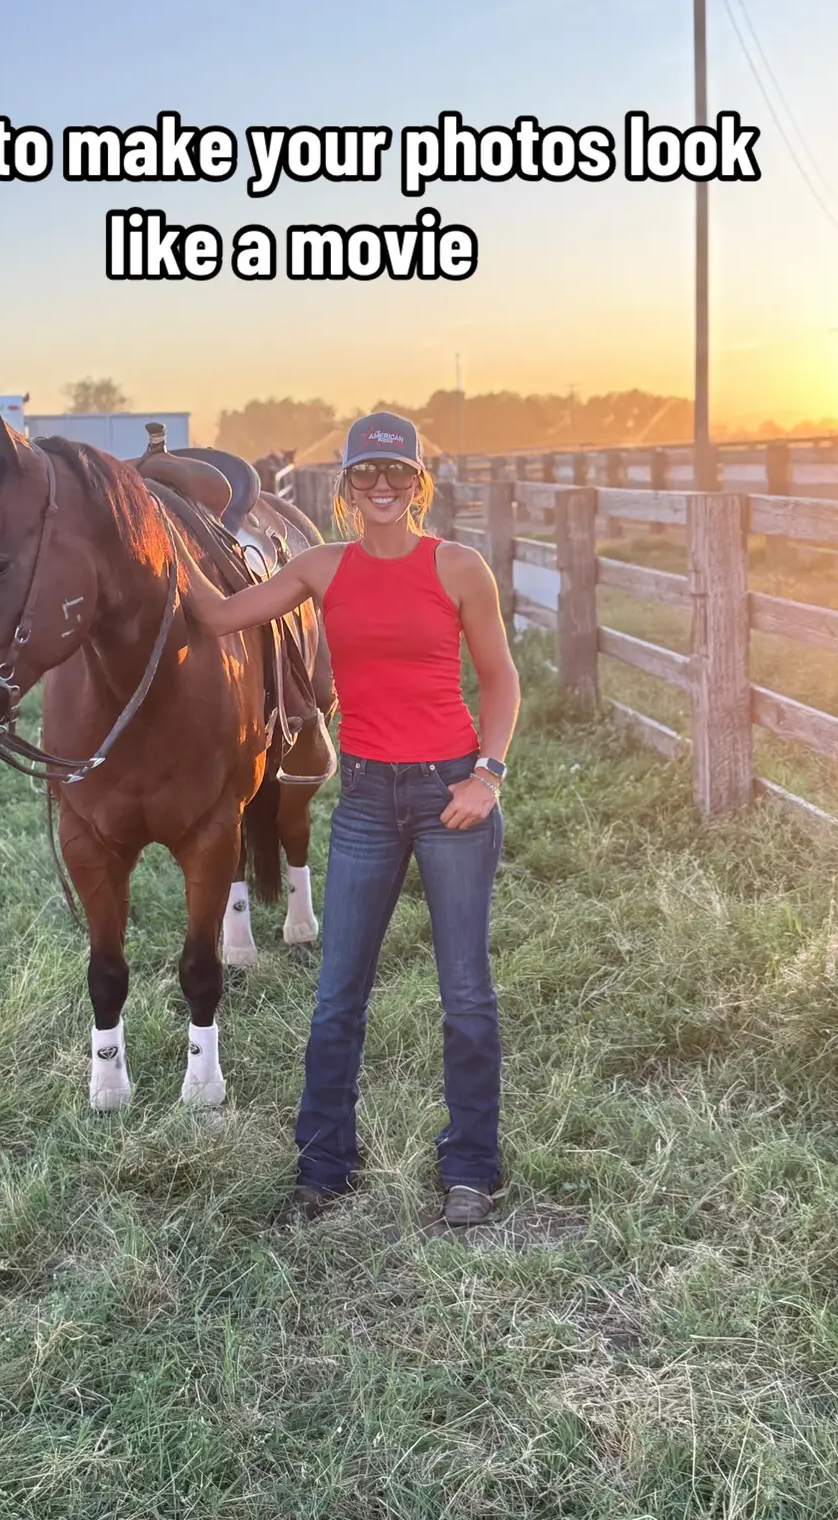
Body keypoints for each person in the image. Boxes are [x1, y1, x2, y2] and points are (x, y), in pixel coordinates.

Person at [184, 412, 520, 1229]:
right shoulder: (319, 568)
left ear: (418, 484)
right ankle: (325, 1161)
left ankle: (473, 1165)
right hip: (367, 799)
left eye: (395, 475)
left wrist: (489, 774)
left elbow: (502, 682)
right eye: (365, 476)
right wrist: (159, 541)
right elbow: (220, 616)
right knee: (338, 996)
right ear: (344, 486)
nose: (380, 487)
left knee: (466, 994)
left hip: (452, 798)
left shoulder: (460, 567)